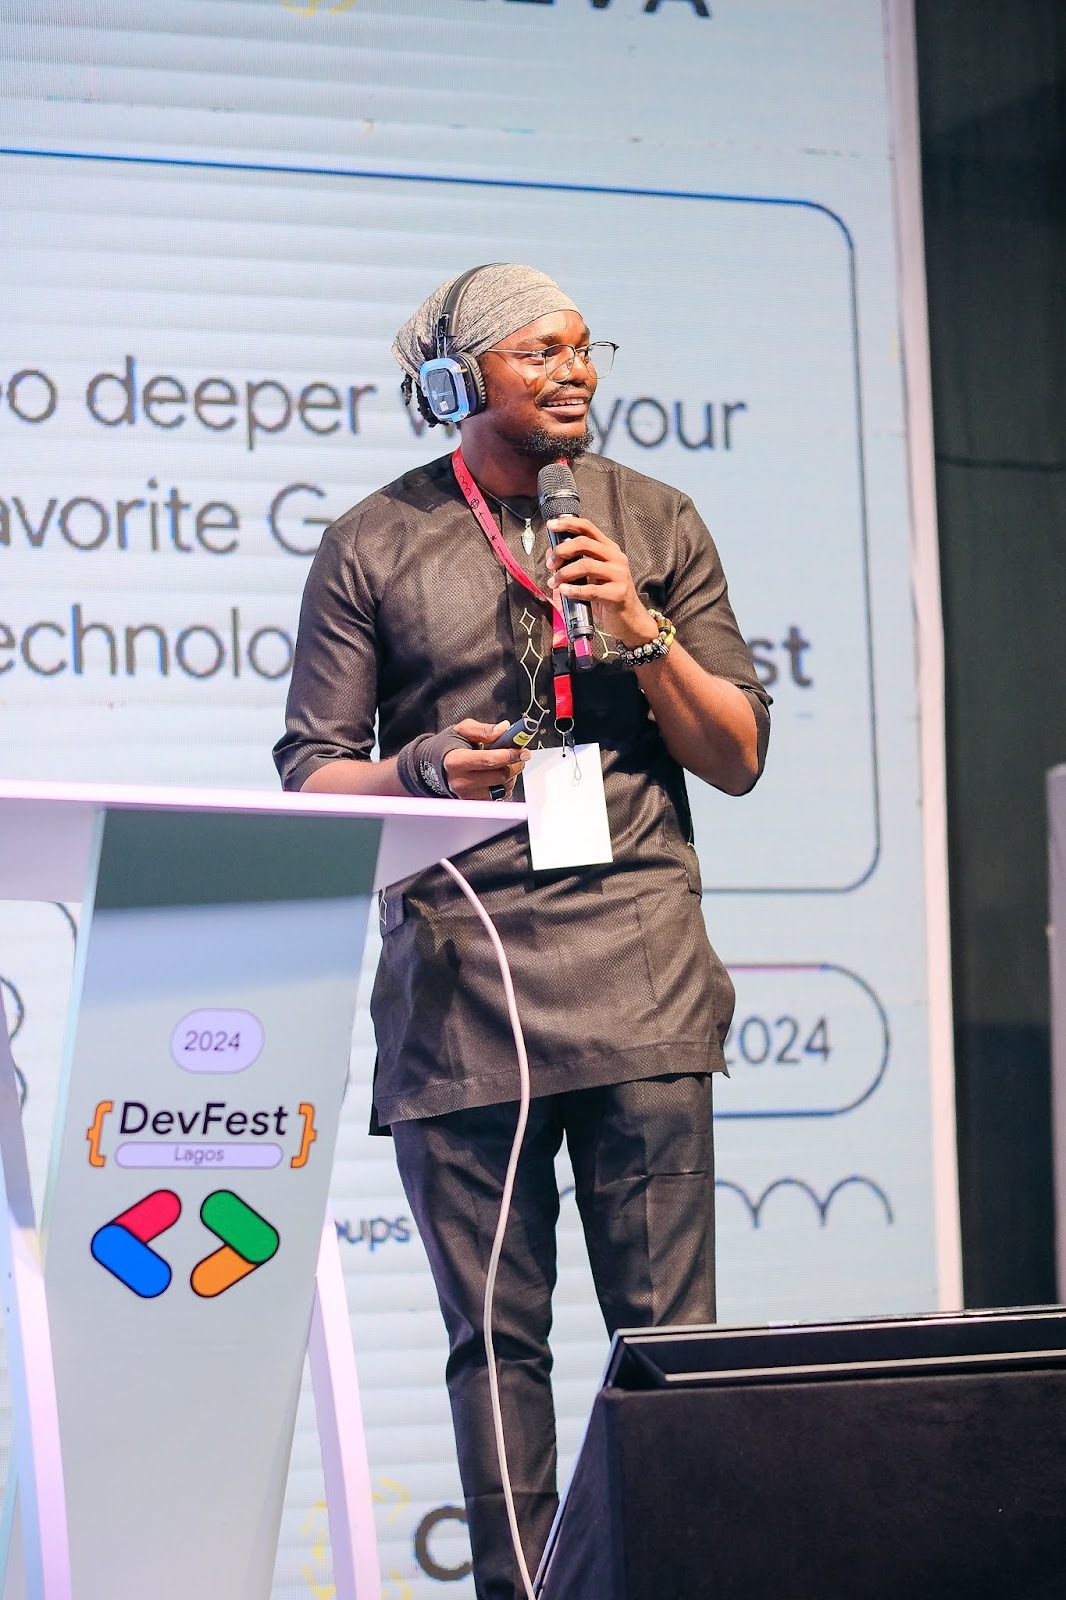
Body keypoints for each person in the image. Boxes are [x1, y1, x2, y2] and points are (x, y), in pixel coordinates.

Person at [274, 263, 770, 1600]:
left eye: (582, 347)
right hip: (463, 993)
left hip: (641, 980)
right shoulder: (373, 542)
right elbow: (312, 775)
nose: (574, 371)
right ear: (457, 379)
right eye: (538, 351)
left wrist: (642, 630)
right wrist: (422, 769)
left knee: (670, 1348)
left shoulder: (653, 519)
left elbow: (736, 755)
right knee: (495, 1349)